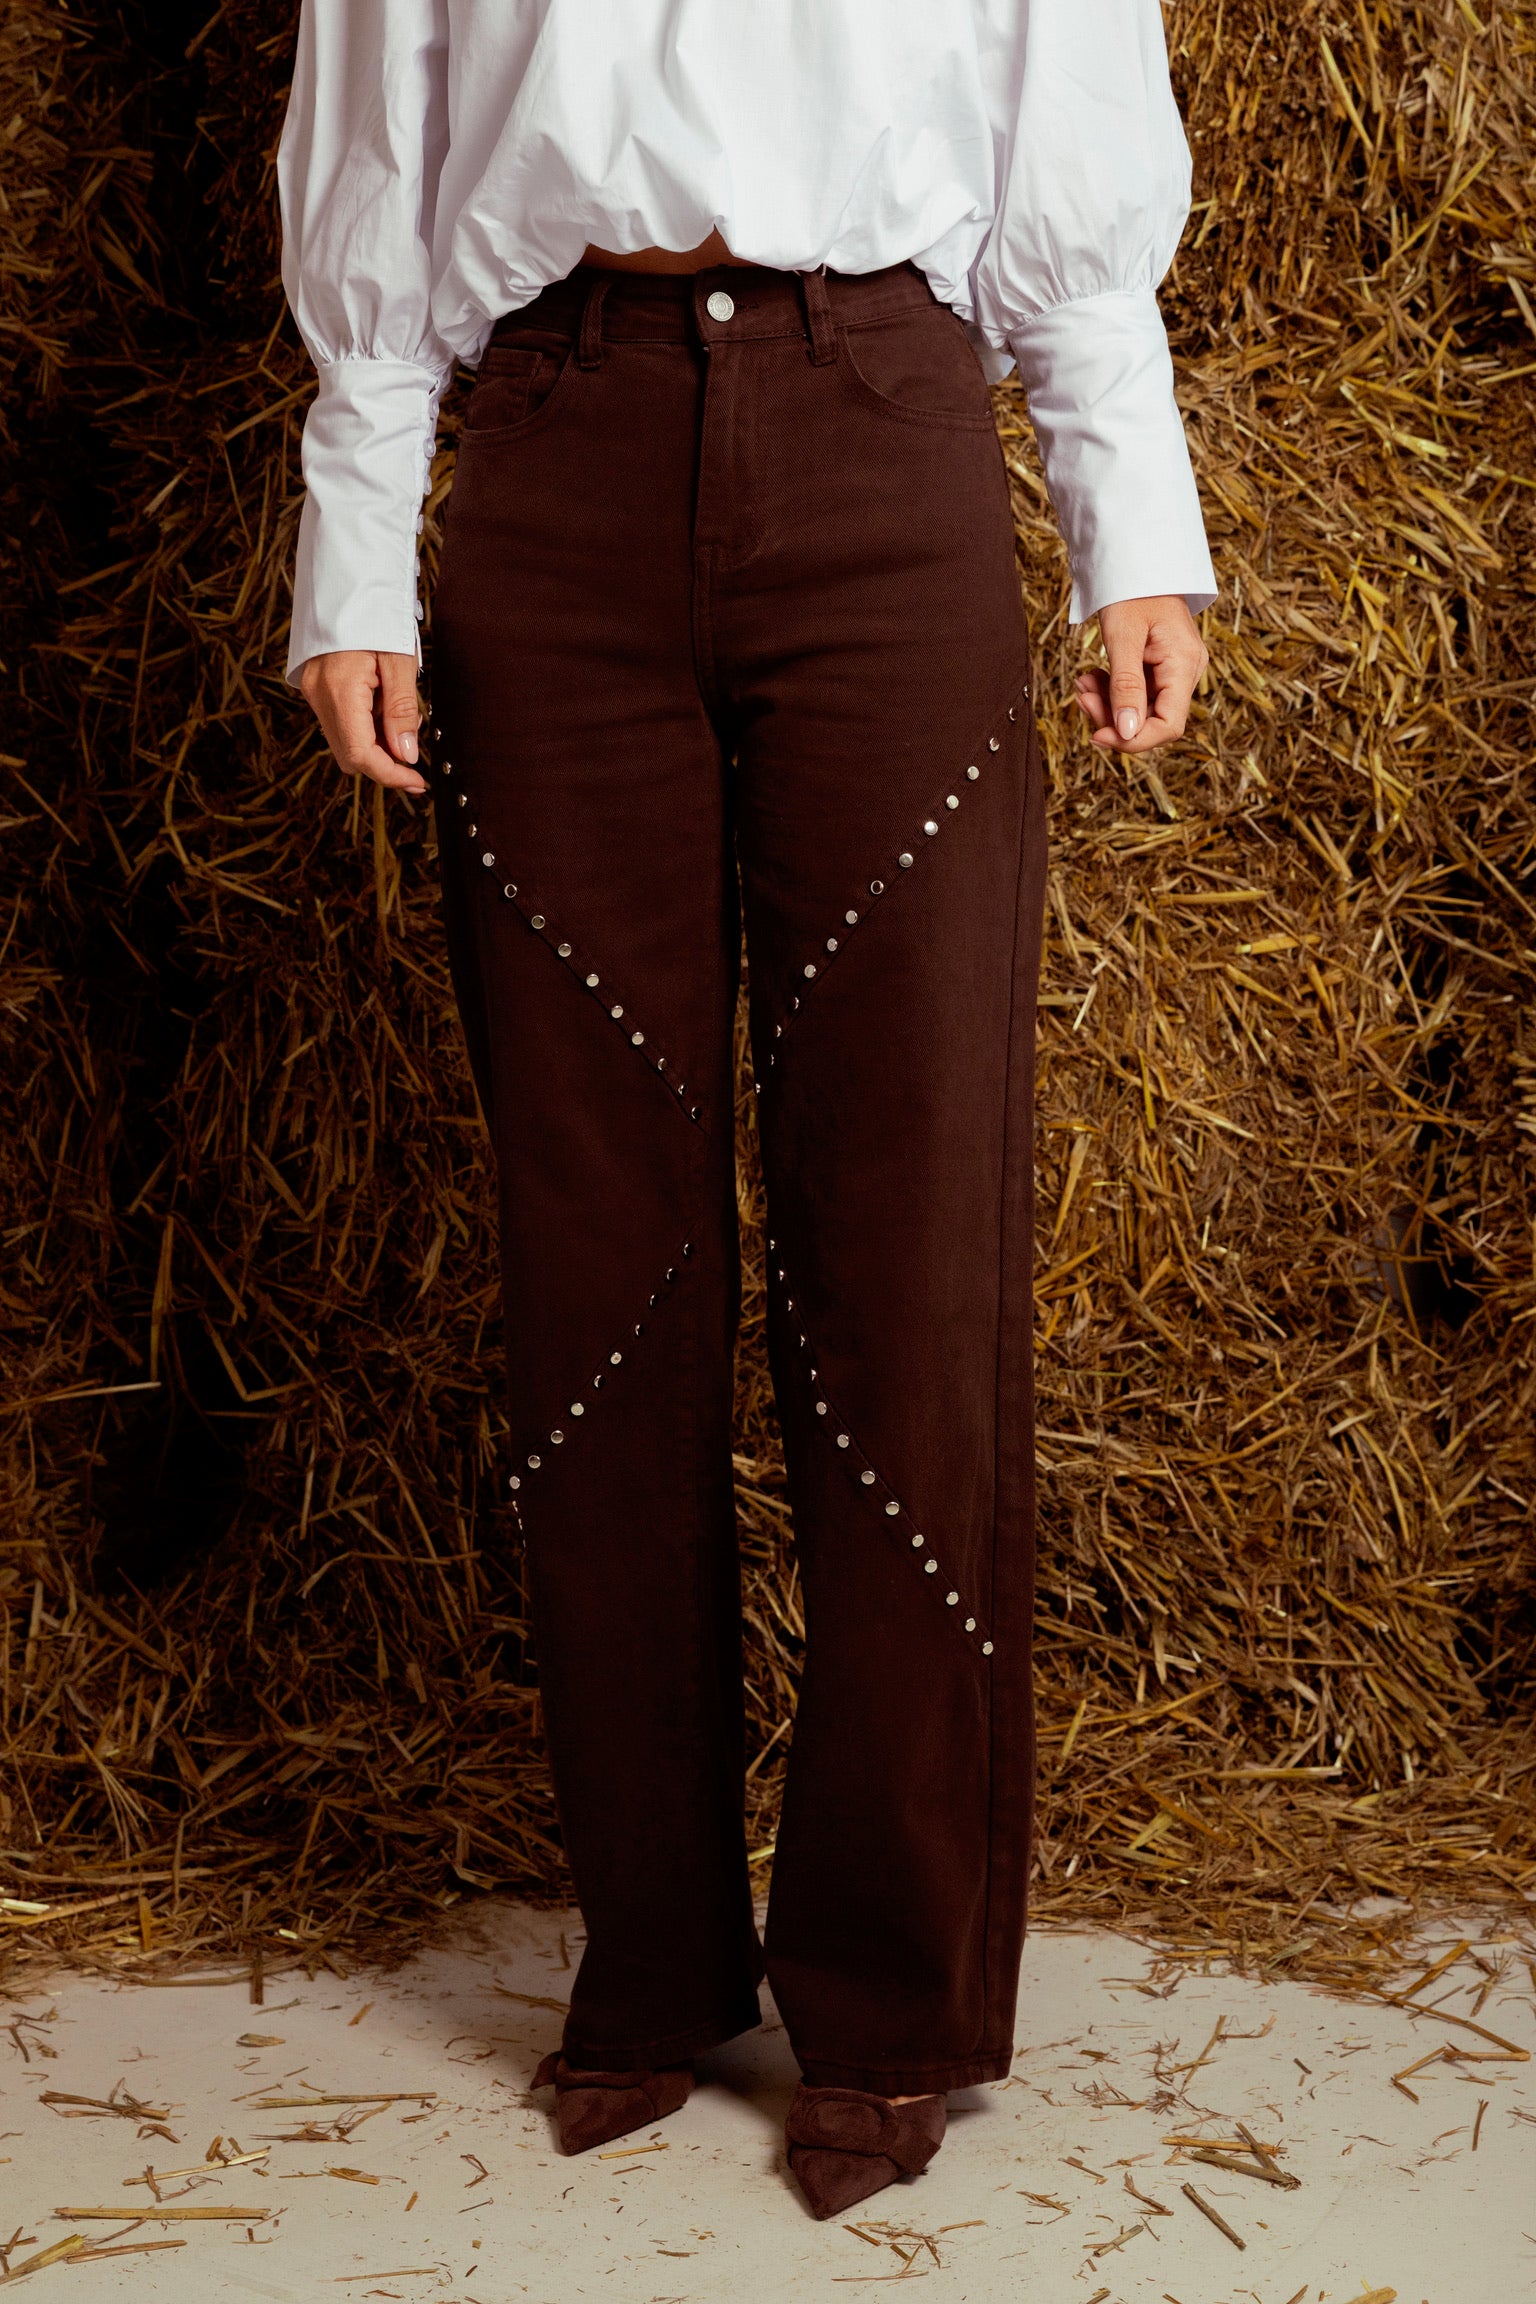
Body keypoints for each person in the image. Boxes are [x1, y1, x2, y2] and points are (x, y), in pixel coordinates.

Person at [278, 0, 1215, 2221]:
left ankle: (892, 2003)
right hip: (555, 451)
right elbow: (382, 145)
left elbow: (1061, 114)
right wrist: (353, 546)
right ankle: (653, 1956)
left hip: (882, 436)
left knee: (909, 1252)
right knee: (597, 1267)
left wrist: (1133, 519)